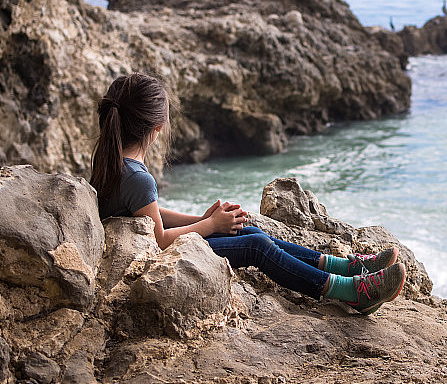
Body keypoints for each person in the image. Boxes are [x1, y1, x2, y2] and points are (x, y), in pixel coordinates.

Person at [89, 72, 406, 315]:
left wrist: (202, 218)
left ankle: (345, 267)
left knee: (250, 231)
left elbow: (147, 216)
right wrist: (210, 227)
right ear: (157, 128)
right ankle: (350, 291)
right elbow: (158, 239)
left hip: (141, 250)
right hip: (155, 261)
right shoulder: (138, 177)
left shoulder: (113, 160)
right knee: (256, 245)